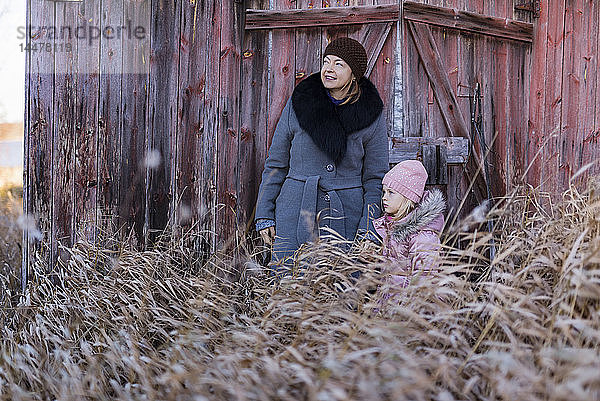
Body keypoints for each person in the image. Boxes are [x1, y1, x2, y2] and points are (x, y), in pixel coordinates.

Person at [255, 37, 389, 267]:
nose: (329, 68)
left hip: (347, 215)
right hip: (295, 210)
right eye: (326, 61)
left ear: (354, 75)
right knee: (289, 288)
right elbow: (276, 163)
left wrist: (369, 228)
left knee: (340, 292)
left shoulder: (371, 114)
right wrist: (264, 214)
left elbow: (375, 178)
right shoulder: (300, 103)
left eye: (339, 64)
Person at [373, 160, 446, 291]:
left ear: (408, 197)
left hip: (408, 306)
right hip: (389, 301)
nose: (384, 197)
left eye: (391, 192)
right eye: (384, 192)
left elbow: (424, 280)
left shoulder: (422, 236)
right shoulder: (390, 225)